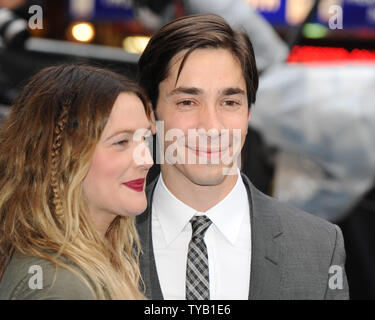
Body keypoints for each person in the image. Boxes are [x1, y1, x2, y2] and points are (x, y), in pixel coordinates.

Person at [136, 14, 349, 300]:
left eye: (229, 102)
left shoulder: (319, 248)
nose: (211, 127)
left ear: (248, 114)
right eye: (188, 102)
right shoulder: (94, 240)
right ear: (150, 114)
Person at [0, 64, 153, 299]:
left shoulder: (77, 267)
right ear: (62, 157)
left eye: (143, 139)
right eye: (121, 142)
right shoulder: (57, 286)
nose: (147, 160)